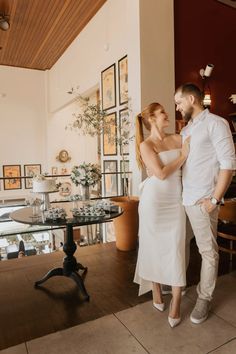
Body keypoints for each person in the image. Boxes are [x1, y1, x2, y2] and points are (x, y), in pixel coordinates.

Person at [175, 83, 235, 324]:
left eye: (179, 102)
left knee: (208, 252)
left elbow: (228, 165)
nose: (177, 107)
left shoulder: (217, 124)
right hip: (184, 199)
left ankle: (204, 298)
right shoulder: (186, 130)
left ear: (191, 99)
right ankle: (181, 284)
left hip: (203, 201)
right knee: (181, 245)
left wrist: (214, 200)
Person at [134, 102, 190, 328]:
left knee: (175, 248)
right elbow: (161, 174)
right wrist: (182, 157)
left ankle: (176, 300)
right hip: (154, 202)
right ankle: (155, 288)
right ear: (151, 119)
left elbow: (191, 164)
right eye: (162, 113)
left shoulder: (178, 138)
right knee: (152, 246)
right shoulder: (146, 145)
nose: (167, 115)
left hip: (175, 201)